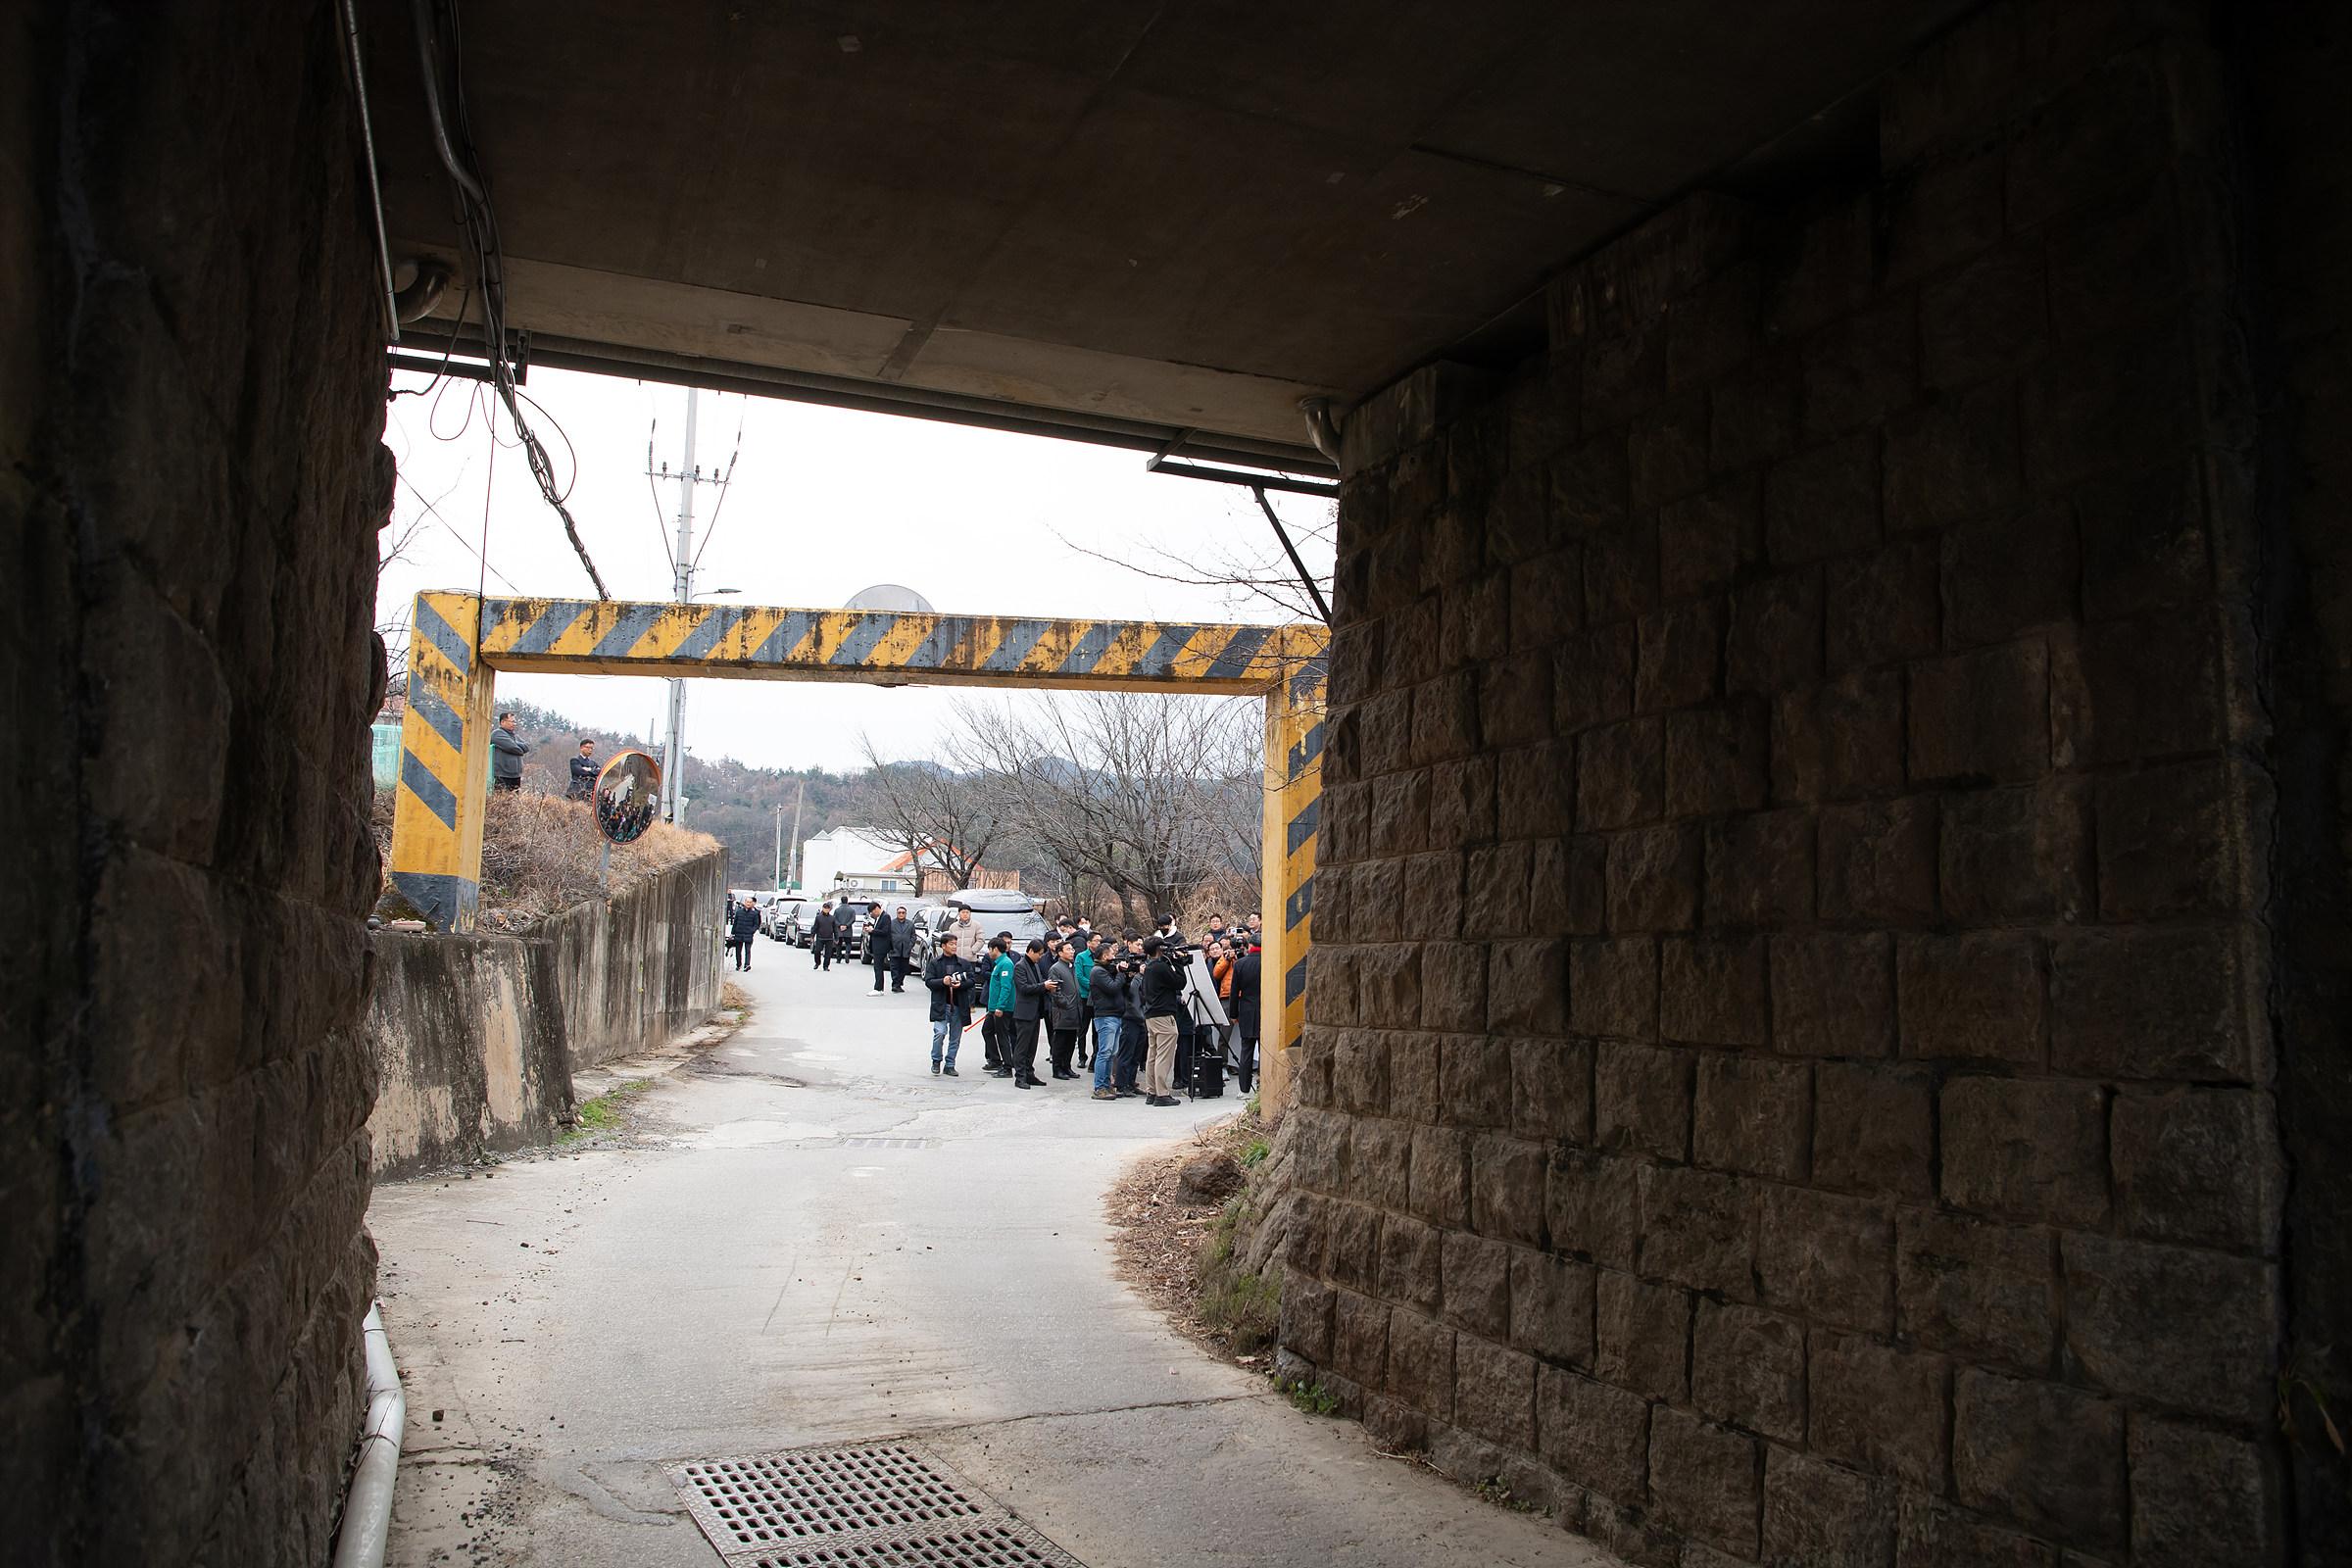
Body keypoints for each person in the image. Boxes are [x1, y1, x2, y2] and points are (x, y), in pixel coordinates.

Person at [1137, 938, 1185, 1105]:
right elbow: (1180, 982)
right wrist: (1178, 962)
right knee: (1163, 1055)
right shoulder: (1161, 967)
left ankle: (1152, 1091)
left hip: (1151, 1014)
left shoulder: (1149, 967)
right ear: (1159, 949)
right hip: (1164, 1014)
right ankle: (1162, 1094)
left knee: (1153, 1054)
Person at [922, 934, 974, 1075]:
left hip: (959, 1005)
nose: (953, 946)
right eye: (951, 944)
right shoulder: (935, 963)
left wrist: (960, 985)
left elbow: (971, 981)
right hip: (941, 1004)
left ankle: (950, 1064)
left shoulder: (963, 963)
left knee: (955, 1037)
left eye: (955, 944)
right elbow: (928, 981)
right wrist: (942, 982)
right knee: (939, 1033)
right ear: (943, 946)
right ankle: (936, 1060)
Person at [1009, 938, 1054, 1089]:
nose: (1040, 957)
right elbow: (1024, 988)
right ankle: (1020, 1077)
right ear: (1030, 951)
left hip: (1036, 1012)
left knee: (1032, 1046)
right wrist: (1043, 986)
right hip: (1024, 1012)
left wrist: (1047, 986)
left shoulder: (1035, 965)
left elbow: (1038, 983)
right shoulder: (1020, 966)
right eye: (1038, 954)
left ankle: (1029, 1073)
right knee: (1022, 1046)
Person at [1087, 945, 1126, 1100]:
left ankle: (1106, 1084)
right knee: (1104, 1053)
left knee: (1112, 1053)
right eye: (1111, 953)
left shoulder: (1106, 970)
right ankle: (1099, 1087)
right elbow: (1113, 987)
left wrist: (1118, 970)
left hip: (1115, 1015)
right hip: (1105, 1016)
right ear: (1104, 956)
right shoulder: (1097, 972)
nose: (1114, 955)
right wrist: (1121, 973)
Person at [1046, 940, 1083, 1079]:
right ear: (1060, 952)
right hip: (1063, 1011)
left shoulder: (1072, 967)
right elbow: (1055, 991)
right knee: (1060, 1042)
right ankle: (1057, 1068)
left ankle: (1067, 1066)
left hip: (1075, 1010)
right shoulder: (1056, 968)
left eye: (1072, 949)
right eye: (1068, 949)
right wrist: (1066, 1003)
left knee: (1071, 1041)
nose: (1072, 951)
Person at [1231, 936, 1263, 1095]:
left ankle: (1244, 1090)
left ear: (1249, 945)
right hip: (1265, 1010)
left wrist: (1233, 1013)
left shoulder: (1240, 964)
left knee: (1246, 1050)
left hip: (1246, 1011)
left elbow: (1234, 992)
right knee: (1265, 1050)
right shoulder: (1268, 962)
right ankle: (1263, 1087)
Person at [983, 935, 1016, 1076]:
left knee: (1002, 1036)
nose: (989, 952)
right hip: (993, 1007)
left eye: (990, 949)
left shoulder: (1006, 964)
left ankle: (1007, 1066)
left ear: (995, 949)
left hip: (1001, 1008)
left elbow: (1006, 987)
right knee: (987, 1031)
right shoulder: (998, 963)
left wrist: (1000, 1006)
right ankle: (995, 1059)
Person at [1071, 934, 1101, 1067]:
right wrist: (1094, 985)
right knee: (1082, 1028)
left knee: (1097, 1029)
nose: (1099, 943)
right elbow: (1079, 976)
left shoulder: (1101, 956)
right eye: (1096, 941)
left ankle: (1095, 1057)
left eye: (1100, 940)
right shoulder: (1081, 957)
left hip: (1098, 997)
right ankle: (1082, 1057)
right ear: (1089, 943)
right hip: (1084, 996)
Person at [490, 711, 528, 792]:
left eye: (515, 722)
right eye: (512, 722)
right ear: (502, 722)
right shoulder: (497, 734)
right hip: (502, 775)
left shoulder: (513, 736)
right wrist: (516, 745)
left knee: (514, 801)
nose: (514, 724)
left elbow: (526, 747)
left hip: (515, 776)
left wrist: (514, 743)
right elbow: (514, 749)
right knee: (502, 800)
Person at [887, 904, 917, 994]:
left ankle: (899, 983)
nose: (901, 914)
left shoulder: (910, 924)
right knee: (894, 968)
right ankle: (895, 984)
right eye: (899, 912)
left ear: (905, 914)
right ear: (896, 913)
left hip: (905, 950)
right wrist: (890, 946)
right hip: (894, 949)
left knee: (904, 968)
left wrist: (910, 945)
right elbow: (888, 935)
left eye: (903, 913)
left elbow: (913, 936)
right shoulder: (891, 923)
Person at [865, 902, 894, 994]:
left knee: (878, 967)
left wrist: (873, 930)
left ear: (877, 908)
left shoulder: (885, 917)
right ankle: (879, 988)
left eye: (872, 912)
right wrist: (870, 930)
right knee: (877, 967)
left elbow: (885, 931)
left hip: (881, 946)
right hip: (877, 946)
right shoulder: (878, 918)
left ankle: (878, 988)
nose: (872, 914)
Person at [728, 897, 760, 971]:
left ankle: (747, 965)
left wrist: (752, 931)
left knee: (747, 950)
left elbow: (756, 924)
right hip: (739, 934)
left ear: (752, 903)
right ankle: (738, 964)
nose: (748, 903)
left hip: (748, 935)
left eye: (750, 902)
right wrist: (732, 933)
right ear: (744, 902)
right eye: (747, 902)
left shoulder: (754, 913)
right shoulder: (739, 912)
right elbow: (735, 923)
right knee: (738, 951)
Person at [809, 902, 838, 970]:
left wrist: (836, 938)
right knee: (817, 951)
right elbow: (815, 927)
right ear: (823, 908)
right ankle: (817, 962)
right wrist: (812, 936)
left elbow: (835, 928)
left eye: (828, 908)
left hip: (829, 938)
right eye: (825, 908)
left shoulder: (832, 918)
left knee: (828, 954)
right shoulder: (818, 918)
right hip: (820, 937)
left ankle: (826, 966)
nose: (826, 910)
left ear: (829, 909)